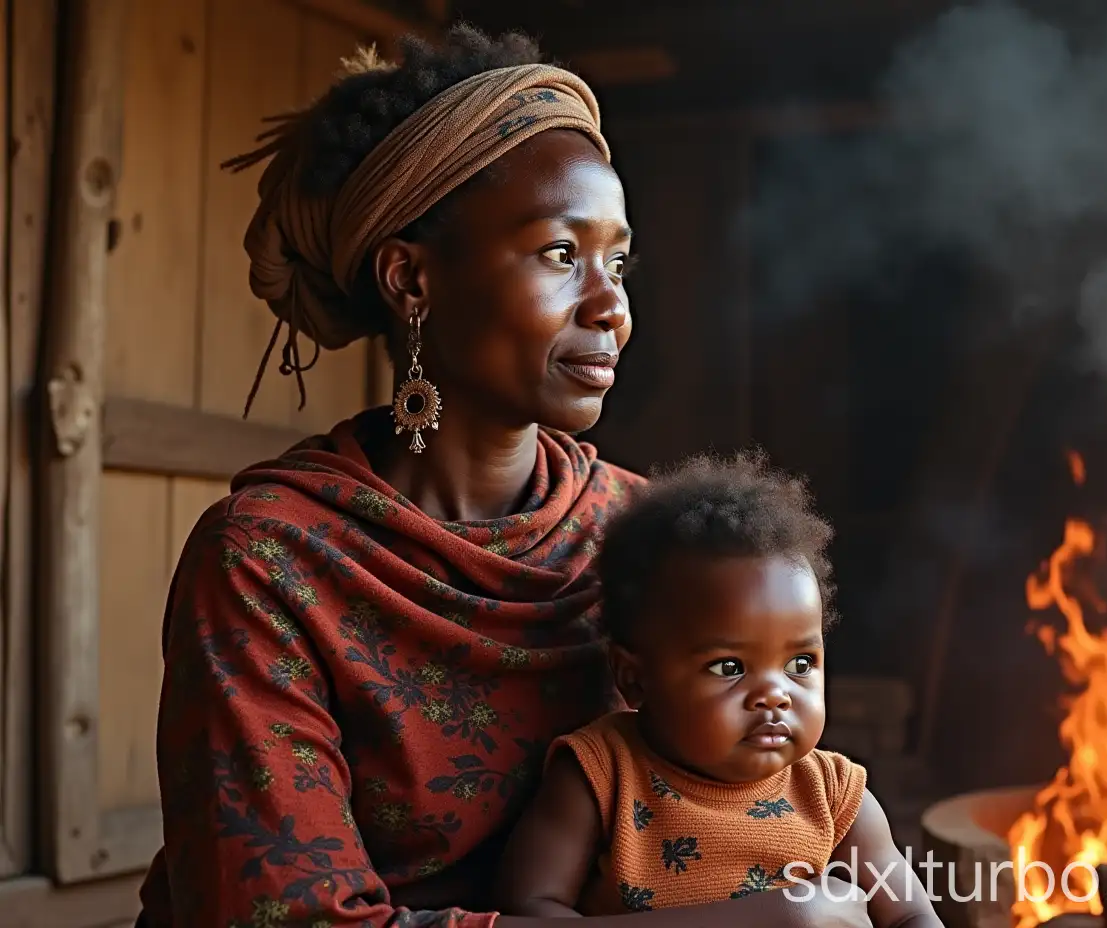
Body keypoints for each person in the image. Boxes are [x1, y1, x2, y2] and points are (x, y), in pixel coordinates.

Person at [134, 24, 877, 928]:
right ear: (412, 280)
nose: (611, 307)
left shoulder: (642, 535)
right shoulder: (267, 564)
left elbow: (759, 805)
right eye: (562, 255)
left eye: (618, 261)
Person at [494, 454, 942, 926]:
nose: (775, 694)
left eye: (800, 663)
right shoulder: (601, 775)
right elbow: (528, 910)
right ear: (634, 678)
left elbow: (909, 915)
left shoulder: (834, 794)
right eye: (729, 666)